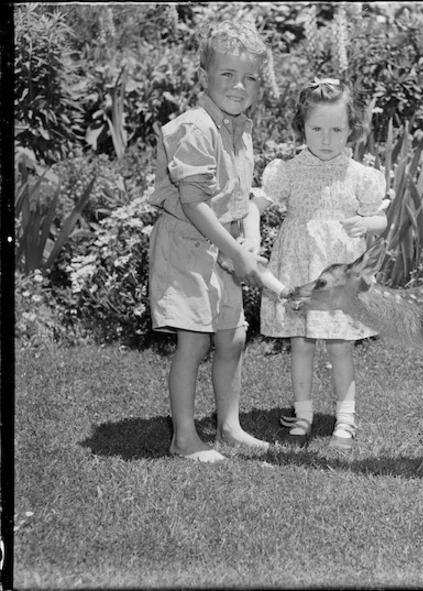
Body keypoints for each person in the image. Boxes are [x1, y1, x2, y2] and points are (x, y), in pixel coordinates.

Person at [148, 20, 291, 463]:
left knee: (231, 339)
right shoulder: (196, 128)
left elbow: (243, 199)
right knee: (194, 341)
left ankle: (229, 426)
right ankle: (184, 438)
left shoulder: (239, 128)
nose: (239, 85)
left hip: (222, 247)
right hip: (189, 247)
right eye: (227, 74)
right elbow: (194, 204)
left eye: (250, 77)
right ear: (205, 75)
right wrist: (235, 252)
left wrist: (247, 245)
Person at [252, 77, 387, 450]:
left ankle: (345, 420)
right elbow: (260, 201)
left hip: (336, 275)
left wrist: (367, 223)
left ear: (351, 129)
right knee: (302, 343)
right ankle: (304, 413)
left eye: (336, 129)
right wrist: (248, 218)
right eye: (316, 129)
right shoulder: (289, 171)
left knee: (340, 344)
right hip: (300, 268)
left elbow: (381, 219)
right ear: (302, 126)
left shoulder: (360, 176)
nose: (326, 139)